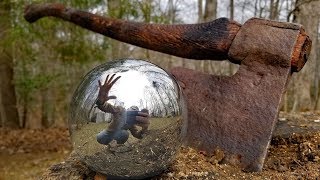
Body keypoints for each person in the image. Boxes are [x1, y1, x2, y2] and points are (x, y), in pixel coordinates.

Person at [95, 74, 150, 145]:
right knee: (99, 137)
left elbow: (137, 135)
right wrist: (101, 101)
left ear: (137, 113)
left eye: (135, 111)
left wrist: (144, 129)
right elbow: (107, 107)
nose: (132, 112)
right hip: (107, 133)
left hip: (118, 135)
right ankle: (103, 134)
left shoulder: (131, 123)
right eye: (131, 110)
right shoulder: (120, 110)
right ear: (128, 109)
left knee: (125, 134)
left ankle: (115, 146)